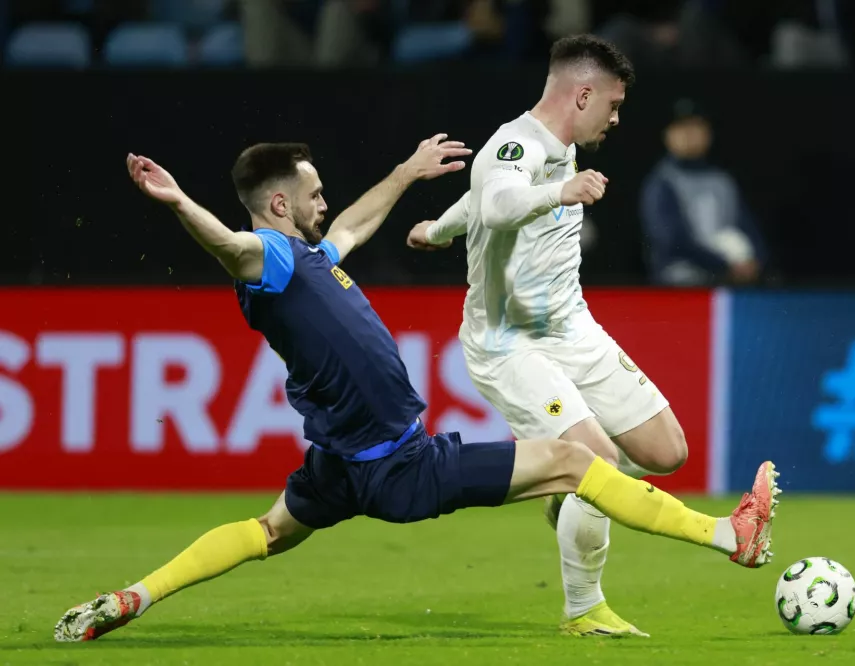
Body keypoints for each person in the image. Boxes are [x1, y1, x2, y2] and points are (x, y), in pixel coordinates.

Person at [53, 135, 779, 643]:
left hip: (339, 462)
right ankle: (728, 537)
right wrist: (179, 202)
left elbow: (353, 225)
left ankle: (131, 598)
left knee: (267, 532)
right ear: (277, 204)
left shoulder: (306, 257)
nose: (322, 202)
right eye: (310, 194)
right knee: (572, 460)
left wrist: (405, 173)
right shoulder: (268, 259)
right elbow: (230, 245)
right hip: (397, 466)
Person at [406, 35, 774, 638]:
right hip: (510, 345)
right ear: (583, 94)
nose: (617, 116)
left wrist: (439, 230)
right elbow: (498, 201)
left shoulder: (563, 147)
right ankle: (584, 608)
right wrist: (561, 192)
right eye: (614, 103)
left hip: (573, 329)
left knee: (665, 451)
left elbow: (478, 204)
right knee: (596, 463)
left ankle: (564, 490)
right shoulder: (515, 144)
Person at [639, 98, 767, 287]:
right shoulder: (662, 182)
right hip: (677, 286)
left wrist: (755, 261)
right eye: (682, 128)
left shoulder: (722, 181)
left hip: (724, 284)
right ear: (667, 135)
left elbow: (748, 227)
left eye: (696, 127)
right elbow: (671, 240)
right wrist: (723, 265)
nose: (690, 134)